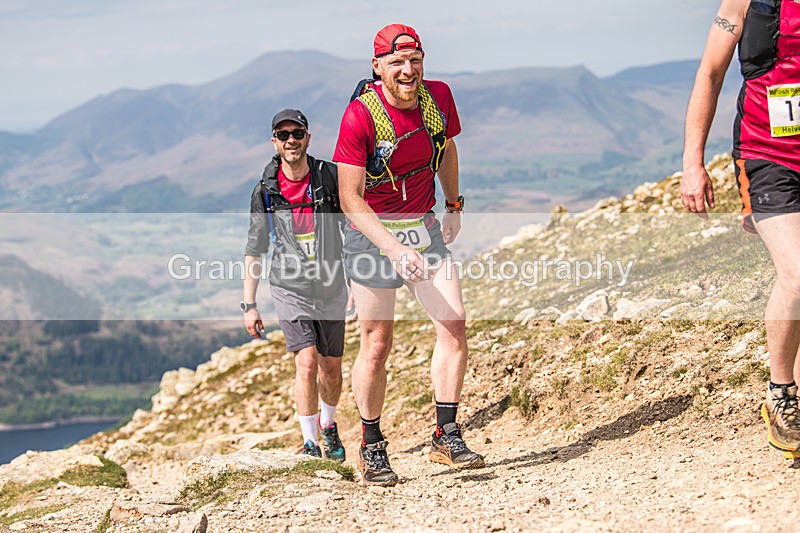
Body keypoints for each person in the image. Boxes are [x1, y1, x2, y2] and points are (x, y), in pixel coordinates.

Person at [334, 23, 484, 485]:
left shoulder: (437, 97)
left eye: (415, 60)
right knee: (377, 343)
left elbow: (446, 150)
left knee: (454, 324)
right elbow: (349, 197)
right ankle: (372, 443)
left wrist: (454, 203)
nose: (408, 70)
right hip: (371, 235)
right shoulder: (360, 116)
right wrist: (393, 248)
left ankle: (446, 433)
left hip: (422, 227)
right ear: (377, 67)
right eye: (397, 62)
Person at [682, 0, 800, 458]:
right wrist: (693, 164)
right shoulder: (743, 2)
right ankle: (781, 394)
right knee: (796, 273)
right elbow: (710, 74)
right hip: (767, 156)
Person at [243, 109, 348, 461]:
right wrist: (250, 303)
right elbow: (255, 247)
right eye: (283, 134)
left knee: (331, 368)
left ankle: (329, 426)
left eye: (297, 133)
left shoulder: (329, 177)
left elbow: (357, 221)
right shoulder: (266, 190)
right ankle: (309, 443)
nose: (291, 140)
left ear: (307, 137)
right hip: (289, 287)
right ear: (274, 141)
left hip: (331, 285)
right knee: (306, 362)